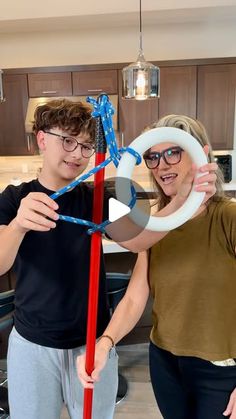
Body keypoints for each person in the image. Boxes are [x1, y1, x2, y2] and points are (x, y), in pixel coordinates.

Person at [77, 114, 236, 419]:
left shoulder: (227, 217)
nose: (162, 164)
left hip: (221, 370)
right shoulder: (154, 223)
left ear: (200, 154)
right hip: (165, 362)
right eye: (152, 156)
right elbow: (136, 295)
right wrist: (105, 343)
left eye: (173, 152)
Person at [0, 99, 119, 419]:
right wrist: (19, 224)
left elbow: (138, 238)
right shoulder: (14, 199)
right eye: (67, 141)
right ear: (42, 139)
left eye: (84, 145)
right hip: (31, 344)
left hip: (94, 345)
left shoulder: (99, 198)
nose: (77, 154)